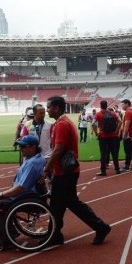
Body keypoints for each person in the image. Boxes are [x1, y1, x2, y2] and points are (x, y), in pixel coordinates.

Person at [44, 96, 111, 246]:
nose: (47, 110)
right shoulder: (62, 122)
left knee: (66, 204)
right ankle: (54, 235)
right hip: (65, 172)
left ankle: (101, 227)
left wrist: (46, 169)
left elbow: (58, 149)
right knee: (59, 204)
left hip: (65, 173)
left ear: (57, 108)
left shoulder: (62, 124)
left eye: (49, 107)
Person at [0, 135, 46, 251]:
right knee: (1, 202)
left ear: (33, 147)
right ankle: (11, 231)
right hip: (29, 194)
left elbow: (20, 188)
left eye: (24, 147)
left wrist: (1, 194)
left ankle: (5, 239)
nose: (21, 149)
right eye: (20, 146)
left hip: (26, 196)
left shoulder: (32, 163)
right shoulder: (36, 158)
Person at [92, 100, 122, 176]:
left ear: (100, 105)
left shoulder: (98, 114)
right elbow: (120, 121)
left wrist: (96, 133)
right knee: (114, 153)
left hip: (102, 137)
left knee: (103, 154)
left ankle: (103, 171)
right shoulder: (112, 113)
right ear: (107, 105)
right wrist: (116, 131)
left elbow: (93, 124)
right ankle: (117, 169)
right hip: (113, 136)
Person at [120, 99, 132, 171]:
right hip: (131, 134)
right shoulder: (130, 112)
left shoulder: (128, 113)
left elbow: (127, 125)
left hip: (128, 135)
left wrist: (124, 135)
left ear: (127, 104)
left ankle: (127, 166)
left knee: (127, 150)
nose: (122, 106)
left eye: (122, 104)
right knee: (131, 149)